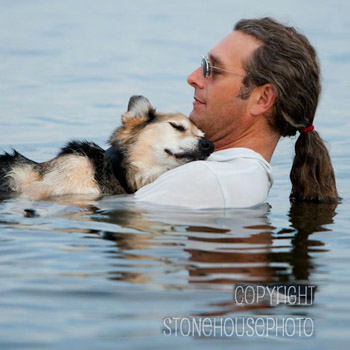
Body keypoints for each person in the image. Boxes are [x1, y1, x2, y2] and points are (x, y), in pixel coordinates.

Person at [134, 17, 339, 209]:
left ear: (262, 99)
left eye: (213, 69)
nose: (193, 77)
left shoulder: (207, 179)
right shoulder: (241, 176)